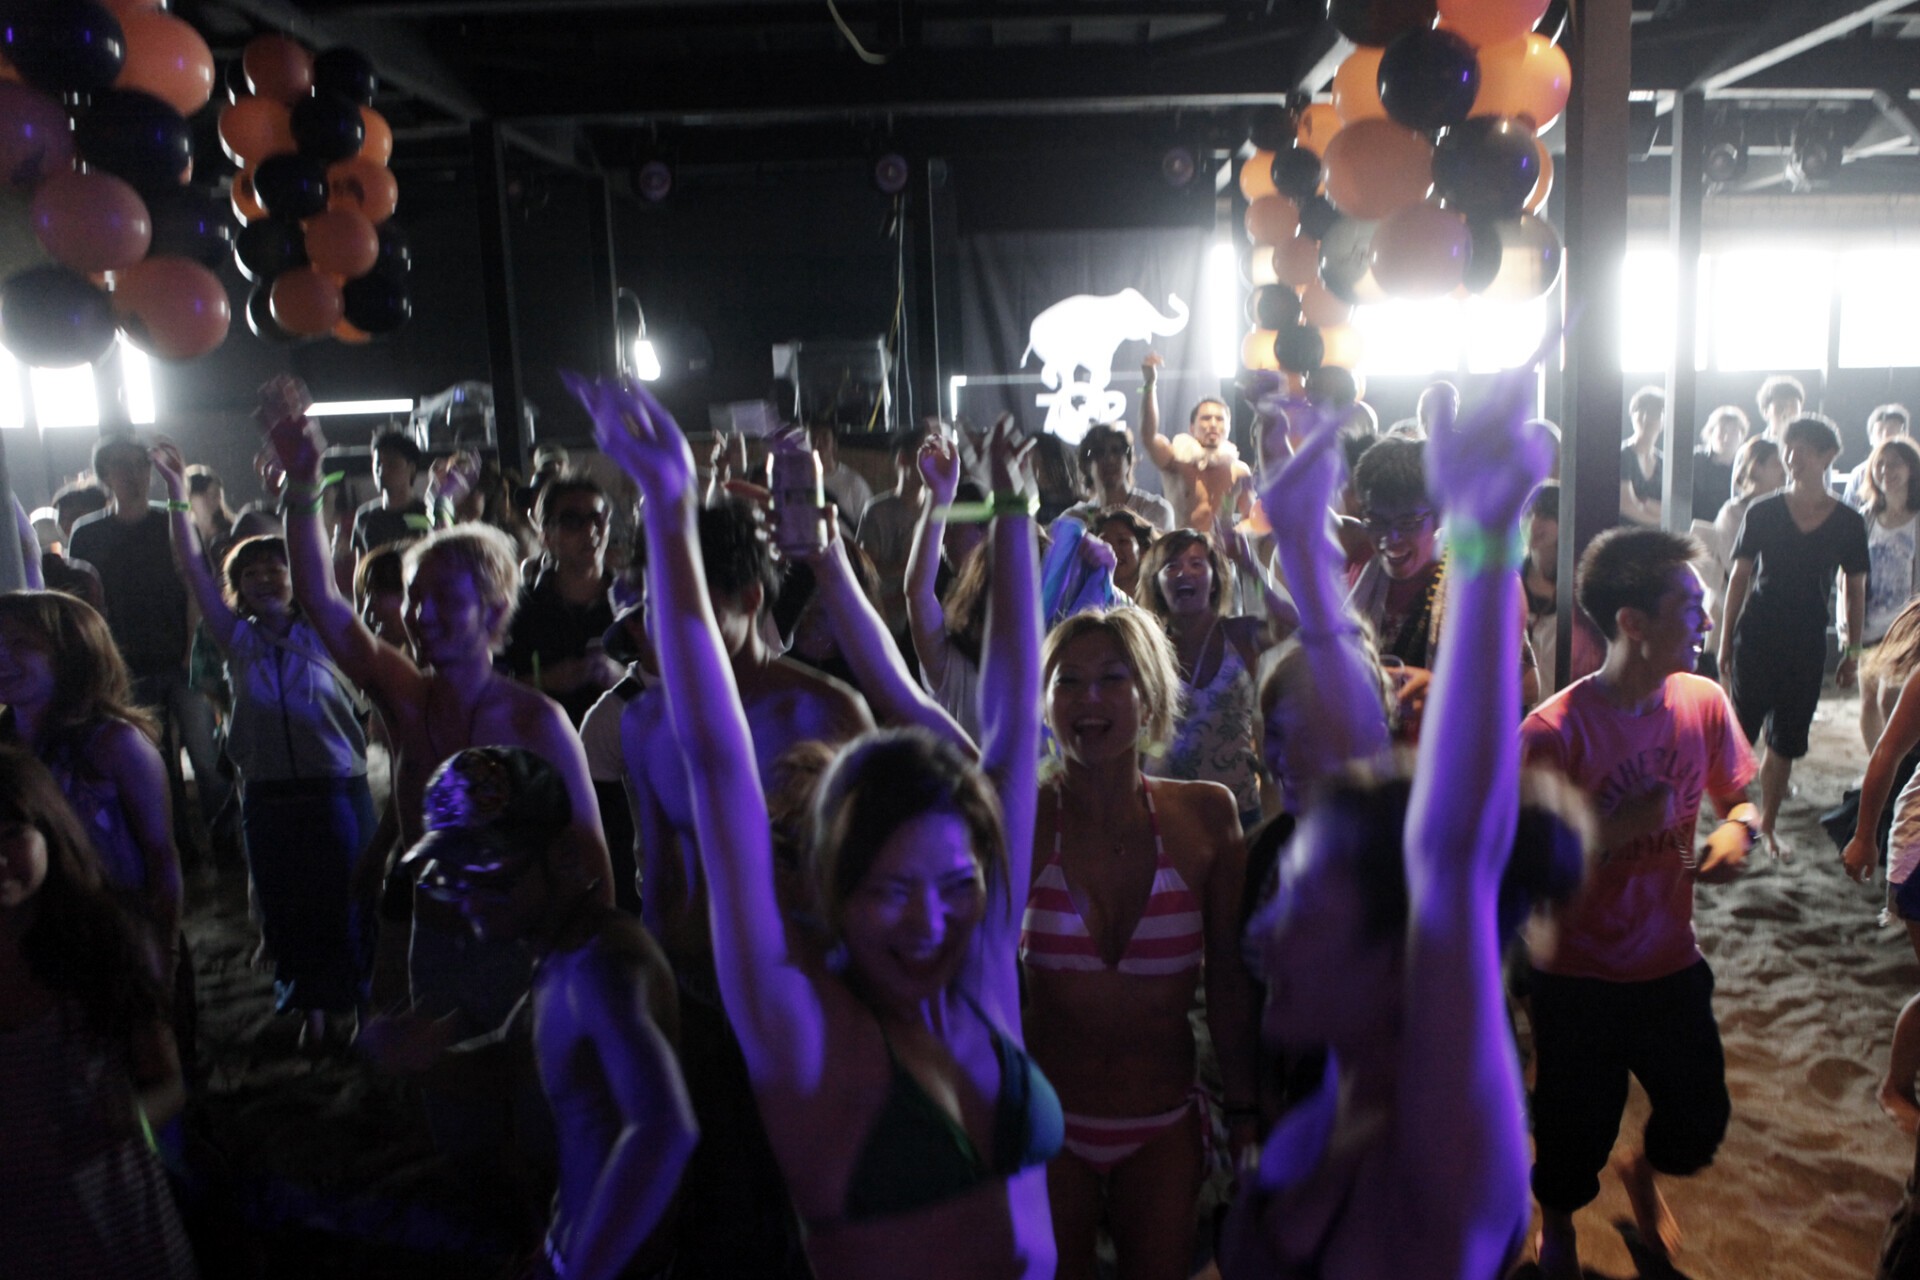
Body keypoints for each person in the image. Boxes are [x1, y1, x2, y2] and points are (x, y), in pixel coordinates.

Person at [573, 370, 1061, 1280]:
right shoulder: (797, 1025)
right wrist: (670, 509)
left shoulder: (980, 962)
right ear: (837, 887)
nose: (930, 920)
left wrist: (1011, 506)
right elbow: (718, 761)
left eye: (955, 885)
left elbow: (1014, 718)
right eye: (892, 892)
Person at [1224, 355, 1583, 1280]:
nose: (1262, 930)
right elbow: (1343, 715)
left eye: (1302, 907)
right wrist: (1299, 545)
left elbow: (1451, 852)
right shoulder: (1347, 1086)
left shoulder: (1441, 1147)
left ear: (1403, 947)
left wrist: (1483, 537)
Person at [264, 379, 611, 1135]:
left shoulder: (538, 721)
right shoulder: (407, 697)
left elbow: (591, 858)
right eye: (415, 598)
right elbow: (322, 602)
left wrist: (591, 969)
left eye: (443, 600)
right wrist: (303, 484)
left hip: (523, 947)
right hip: (435, 938)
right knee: (450, 1118)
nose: (420, 615)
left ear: (494, 610)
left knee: (534, 1115)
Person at [1522, 527, 1759, 1279]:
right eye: (1690, 608)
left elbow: (1740, 798)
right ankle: (1558, 1224)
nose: (1707, 621)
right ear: (1632, 622)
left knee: (1699, 1119)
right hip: (1577, 974)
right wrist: (1617, 827)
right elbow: (1523, 873)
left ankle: (1643, 1171)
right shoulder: (1552, 733)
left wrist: (1737, 832)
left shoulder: (1703, 702)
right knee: (1572, 1134)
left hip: (1668, 961)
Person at [365, 746, 698, 1280]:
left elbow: (663, 1129)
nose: (469, 896)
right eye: (456, 872)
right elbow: (513, 1059)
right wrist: (423, 1059)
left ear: (562, 855)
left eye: (487, 871)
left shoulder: (604, 965)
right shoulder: (559, 952)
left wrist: (583, 1270)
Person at [1021, 606, 1256, 1279]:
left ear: (1149, 697)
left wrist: (1245, 1114)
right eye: (1067, 681)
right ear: (1045, 703)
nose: (1088, 698)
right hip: (1049, 1120)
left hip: (1162, 1119)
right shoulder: (1020, 819)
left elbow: (1230, 987)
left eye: (1111, 678)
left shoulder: (1206, 817)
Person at [154, 441, 375, 1049]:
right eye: (249, 573)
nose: (264, 578)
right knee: (285, 906)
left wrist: (299, 489)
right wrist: (175, 493)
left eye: (276, 567)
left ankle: (359, 1003)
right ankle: (310, 1009)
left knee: (347, 900)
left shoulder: (327, 629)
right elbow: (191, 567)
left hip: (336, 787)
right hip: (268, 795)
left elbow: (321, 553)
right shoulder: (236, 641)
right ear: (237, 587)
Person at [0, 746, 195, 1279]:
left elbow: (169, 1085)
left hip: (114, 1212)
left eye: (11, 834)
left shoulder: (101, 944)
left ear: (50, 830)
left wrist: (131, 1117)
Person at [0, 591, 182, 975]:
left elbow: (160, 855)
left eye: (20, 644)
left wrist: (164, 952)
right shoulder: (6, 747)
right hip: (27, 947)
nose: (2, 656)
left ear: (71, 653)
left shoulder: (115, 743)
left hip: (115, 942)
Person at [68, 433, 228, 861]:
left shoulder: (172, 523)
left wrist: (192, 647)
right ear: (105, 475)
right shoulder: (88, 534)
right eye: (121, 466)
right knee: (155, 764)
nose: (133, 475)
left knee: (206, 755)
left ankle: (227, 841)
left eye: (140, 465)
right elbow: (84, 603)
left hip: (180, 657)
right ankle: (179, 850)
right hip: (127, 663)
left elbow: (195, 587)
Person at [1718, 414, 1869, 854]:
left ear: (1827, 456)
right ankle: (1735, 821)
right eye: (1788, 448)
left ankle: (1767, 825)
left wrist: (1852, 652)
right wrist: (1725, 641)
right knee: (1740, 733)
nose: (1791, 456)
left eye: (1802, 449)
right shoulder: (1763, 511)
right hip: (1758, 633)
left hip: (1807, 641)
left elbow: (1854, 588)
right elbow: (1739, 578)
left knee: (1785, 739)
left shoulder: (1848, 521)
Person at [1136, 528, 1270, 832]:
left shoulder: (1240, 634)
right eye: (1171, 566)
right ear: (1157, 583)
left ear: (1215, 579)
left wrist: (1248, 566)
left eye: (1196, 563)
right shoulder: (1146, 645)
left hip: (1237, 810)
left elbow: (1289, 621)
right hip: (1164, 810)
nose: (1184, 572)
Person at [502, 474, 621, 726]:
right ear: (546, 536)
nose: (590, 531)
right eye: (572, 521)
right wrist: (546, 680)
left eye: (598, 519)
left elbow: (669, 682)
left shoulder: (632, 604)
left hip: (622, 743)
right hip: (545, 740)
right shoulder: (521, 608)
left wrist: (621, 677)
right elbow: (495, 688)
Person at [906, 435, 996, 743]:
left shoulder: (1039, 657)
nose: (944, 539)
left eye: (952, 525)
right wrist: (938, 496)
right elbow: (918, 593)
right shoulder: (953, 668)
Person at [1137, 351, 1251, 537]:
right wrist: (1149, 384)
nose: (1213, 424)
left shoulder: (1239, 471)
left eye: (1220, 419)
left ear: (1228, 427)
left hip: (1221, 551)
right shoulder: (1175, 458)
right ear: (1192, 427)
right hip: (1181, 547)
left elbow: (1250, 517)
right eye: (1206, 418)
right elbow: (1148, 436)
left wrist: (1234, 538)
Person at [1856, 439, 1920, 749]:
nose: (1885, 470)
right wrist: (1849, 625)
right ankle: (1876, 766)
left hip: (1905, 628)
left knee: (1890, 701)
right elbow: (1849, 575)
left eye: (1894, 463)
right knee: (1868, 702)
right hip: (1868, 625)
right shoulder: (1866, 518)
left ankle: (1897, 767)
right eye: (1880, 464)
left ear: (1911, 469)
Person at [856, 423, 934, 637]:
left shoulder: (936, 509)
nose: (931, 460)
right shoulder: (877, 512)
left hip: (925, 626)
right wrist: (910, 567)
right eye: (924, 452)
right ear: (903, 459)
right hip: (884, 623)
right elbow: (866, 570)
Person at [1066, 422, 1175, 533]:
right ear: (1086, 465)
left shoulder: (1155, 509)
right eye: (1099, 452)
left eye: (1116, 451)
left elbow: (1155, 541)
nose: (1110, 459)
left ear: (1128, 460)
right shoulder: (1075, 517)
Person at [351, 427, 428, 556]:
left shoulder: (427, 514)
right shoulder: (365, 518)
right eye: (378, 465)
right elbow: (362, 566)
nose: (382, 471)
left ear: (411, 468)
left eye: (392, 464)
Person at [1845, 405, 1915, 510]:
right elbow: (1849, 512)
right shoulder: (1859, 475)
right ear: (1871, 438)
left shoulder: (1915, 469)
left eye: (1891, 431)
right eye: (1880, 432)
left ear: (1905, 436)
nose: (1885, 437)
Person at [1691, 406, 1750, 523]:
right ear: (1710, 433)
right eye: (1722, 431)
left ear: (1742, 436)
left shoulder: (1747, 467)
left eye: (1733, 432)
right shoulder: (1695, 461)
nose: (1727, 438)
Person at [1620, 385, 1667, 528]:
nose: (1646, 418)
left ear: (1664, 420)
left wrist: (1643, 501)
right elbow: (1626, 505)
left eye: (1653, 413)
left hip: (1657, 537)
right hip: (1624, 534)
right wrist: (1662, 523)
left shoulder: (1664, 462)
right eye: (1641, 411)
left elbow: (1670, 508)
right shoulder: (1622, 455)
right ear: (1632, 415)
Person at [1755, 374, 1805, 445]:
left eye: (1793, 405)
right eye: (1781, 406)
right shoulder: (1753, 448)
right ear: (1765, 411)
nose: (1787, 411)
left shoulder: (1811, 446)